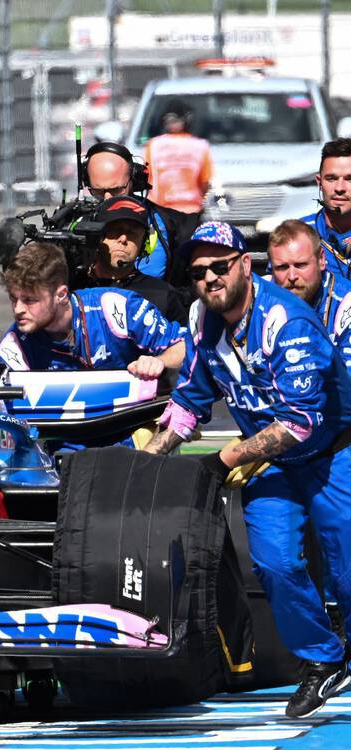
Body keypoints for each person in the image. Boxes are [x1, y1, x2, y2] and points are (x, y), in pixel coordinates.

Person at [144, 221, 351, 719]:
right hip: (272, 463)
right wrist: (147, 460)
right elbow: (190, 400)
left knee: (346, 565)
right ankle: (324, 660)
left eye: (219, 266)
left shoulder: (287, 320)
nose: (210, 278)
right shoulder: (201, 317)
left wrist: (226, 459)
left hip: (332, 451)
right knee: (274, 562)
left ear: (244, 265)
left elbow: (301, 422)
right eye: (199, 271)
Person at [0, 242, 185, 378]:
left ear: (61, 294)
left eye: (29, 300)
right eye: (13, 298)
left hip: (132, 419)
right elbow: (2, 410)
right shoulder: (14, 345)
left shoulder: (117, 307)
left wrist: (159, 361)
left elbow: (185, 346)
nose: (18, 309)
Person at [82, 141, 186, 284]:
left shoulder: (162, 221)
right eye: (98, 191)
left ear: (134, 180)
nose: (107, 198)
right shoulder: (79, 218)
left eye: (116, 190)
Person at [78, 195, 189, 324]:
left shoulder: (163, 295)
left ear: (144, 244)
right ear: (96, 236)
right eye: (115, 230)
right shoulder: (73, 284)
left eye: (133, 232)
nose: (123, 239)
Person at [268, 219, 351, 371]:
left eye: (301, 265)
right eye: (282, 267)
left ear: (321, 260)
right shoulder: (260, 298)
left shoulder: (347, 301)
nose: (292, 276)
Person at [145, 103, 213, 231]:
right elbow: (205, 182)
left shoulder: (153, 145)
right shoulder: (200, 146)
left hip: (161, 209)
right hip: (191, 210)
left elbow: (148, 177)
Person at [301, 139, 351, 280]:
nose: (339, 188)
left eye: (349, 179)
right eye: (331, 179)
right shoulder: (298, 234)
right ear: (319, 182)